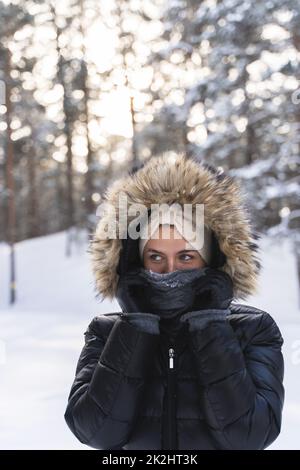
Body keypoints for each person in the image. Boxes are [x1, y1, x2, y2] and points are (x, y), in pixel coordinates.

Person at [64, 153, 284, 450]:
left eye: (186, 256)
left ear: (211, 259)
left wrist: (210, 324)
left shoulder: (254, 329)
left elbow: (250, 436)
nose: (170, 271)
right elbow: (95, 433)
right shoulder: (106, 332)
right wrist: (135, 327)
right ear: (135, 260)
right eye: (155, 257)